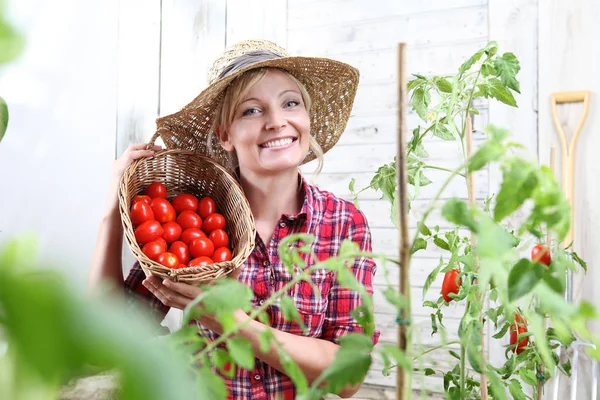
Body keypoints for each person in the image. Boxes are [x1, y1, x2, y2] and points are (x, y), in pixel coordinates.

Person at [89, 39, 380, 400]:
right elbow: (107, 337)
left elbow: (349, 377)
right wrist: (112, 212)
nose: (277, 121)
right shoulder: (191, 218)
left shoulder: (343, 223)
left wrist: (228, 321)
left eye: (290, 103)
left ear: (306, 119)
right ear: (224, 135)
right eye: (251, 111)